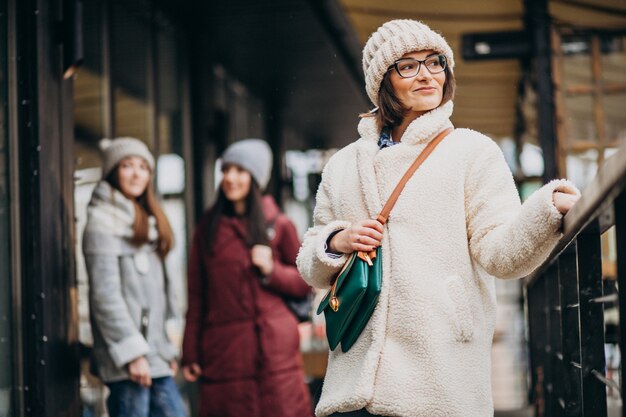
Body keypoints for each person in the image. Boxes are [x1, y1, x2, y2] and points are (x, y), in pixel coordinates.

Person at [296, 19, 581, 417]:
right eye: (408, 66)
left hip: (439, 380)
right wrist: (335, 241)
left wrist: (545, 209)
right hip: (354, 385)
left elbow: (500, 254)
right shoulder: (342, 166)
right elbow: (310, 261)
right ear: (383, 81)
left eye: (435, 62)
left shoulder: (472, 151)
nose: (427, 74)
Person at [181, 139, 314, 417]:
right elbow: (197, 295)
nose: (230, 178)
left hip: (275, 358)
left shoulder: (279, 224)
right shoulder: (207, 229)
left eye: (240, 171)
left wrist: (272, 271)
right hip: (225, 357)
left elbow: (306, 280)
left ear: (255, 178)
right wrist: (190, 352)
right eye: (226, 170)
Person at [82, 137, 186, 417]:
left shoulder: (149, 220)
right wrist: (132, 354)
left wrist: (165, 349)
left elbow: (160, 295)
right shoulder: (101, 221)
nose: (137, 173)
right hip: (129, 360)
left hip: (154, 354)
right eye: (127, 165)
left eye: (143, 166)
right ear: (113, 172)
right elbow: (105, 296)